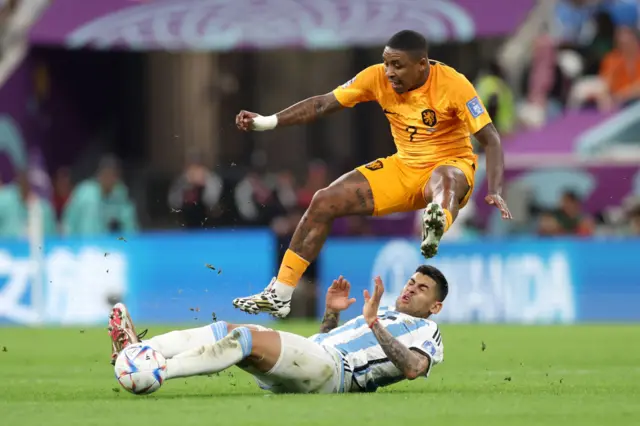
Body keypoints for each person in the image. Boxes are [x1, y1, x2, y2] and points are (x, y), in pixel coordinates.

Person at [233, 30, 512, 318]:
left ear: (422, 64)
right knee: (324, 200)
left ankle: (437, 222)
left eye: (398, 65)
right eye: (387, 63)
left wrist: (494, 189)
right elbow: (322, 103)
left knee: (444, 178)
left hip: (452, 165)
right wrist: (266, 122)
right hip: (403, 168)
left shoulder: (454, 84)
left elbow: (490, 138)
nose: (389, 72)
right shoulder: (376, 77)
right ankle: (280, 293)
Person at [108, 265, 448, 394]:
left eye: (421, 289)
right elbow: (324, 339)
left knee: (245, 338)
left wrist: (373, 324)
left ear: (436, 307)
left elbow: (413, 368)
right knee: (227, 328)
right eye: (410, 281)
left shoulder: (427, 333)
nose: (410, 288)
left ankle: (157, 370)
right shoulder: (383, 313)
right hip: (316, 359)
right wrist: (331, 313)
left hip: (337, 375)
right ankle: (140, 349)